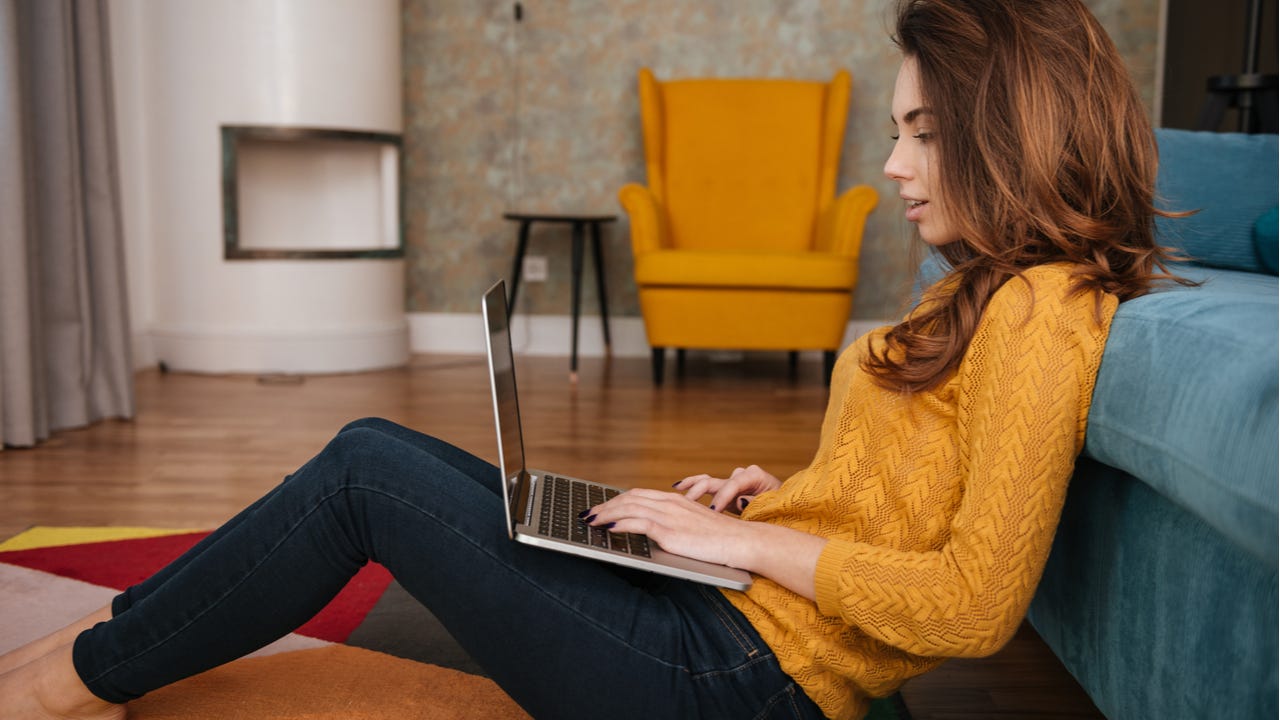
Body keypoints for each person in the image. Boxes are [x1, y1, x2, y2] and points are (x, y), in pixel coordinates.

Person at [0, 1, 1185, 718]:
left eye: (920, 131)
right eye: (894, 129)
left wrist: (739, 542)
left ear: (1006, 124)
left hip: (733, 689)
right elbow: (917, 502)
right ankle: (119, 635)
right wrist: (775, 504)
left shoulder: (1044, 309)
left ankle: (80, 676)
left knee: (366, 471)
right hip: (734, 623)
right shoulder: (989, 290)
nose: (892, 164)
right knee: (409, 463)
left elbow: (976, 607)